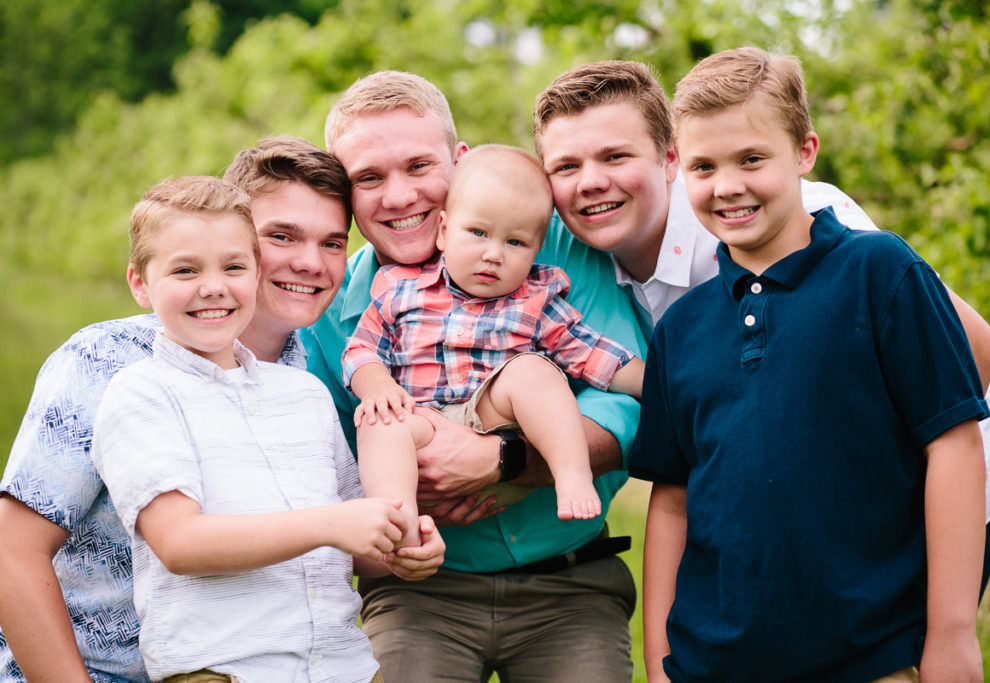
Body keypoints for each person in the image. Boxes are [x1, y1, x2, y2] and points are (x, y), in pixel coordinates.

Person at [532, 59, 990, 600]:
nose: (592, 181)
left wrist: (863, 498)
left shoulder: (787, 215)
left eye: (615, 156)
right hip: (796, 524)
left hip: (922, 493)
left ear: (668, 159)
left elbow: (975, 347)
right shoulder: (575, 265)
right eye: (566, 166)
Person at [0, 136, 444, 682]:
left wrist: (404, 538)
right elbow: (11, 554)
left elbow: (342, 536)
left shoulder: (305, 383)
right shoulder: (108, 365)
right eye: (282, 236)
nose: (310, 263)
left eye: (333, 243)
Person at [631, 46, 988, 682]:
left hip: (870, 655)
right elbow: (673, 499)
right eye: (703, 166)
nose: (727, 185)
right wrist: (659, 662)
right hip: (713, 663)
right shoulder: (681, 328)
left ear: (804, 152)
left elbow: (954, 444)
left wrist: (953, 634)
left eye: (751, 159)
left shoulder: (880, 271)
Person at [302, 72, 647, 681]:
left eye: (418, 166)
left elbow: (624, 407)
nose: (399, 196)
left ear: (459, 164)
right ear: (346, 193)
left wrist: (503, 460)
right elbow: (323, 463)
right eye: (369, 178)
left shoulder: (554, 253)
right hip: (419, 591)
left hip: (570, 581)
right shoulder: (330, 313)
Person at [90, 174, 421, 681]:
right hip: (227, 671)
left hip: (345, 668)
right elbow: (180, 544)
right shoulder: (141, 393)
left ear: (256, 271)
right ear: (139, 283)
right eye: (184, 270)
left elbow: (354, 540)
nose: (213, 287)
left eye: (234, 266)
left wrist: (399, 545)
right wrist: (329, 524)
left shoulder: (304, 394)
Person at [344, 145, 645, 544]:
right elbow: (361, 350)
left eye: (515, 243)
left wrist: (666, 383)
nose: (493, 255)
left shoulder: (537, 299)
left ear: (537, 250)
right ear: (444, 231)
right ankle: (400, 526)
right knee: (378, 424)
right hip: (423, 423)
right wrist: (378, 388)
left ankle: (571, 472)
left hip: (495, 421)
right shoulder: (400, 289)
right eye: (478, 233)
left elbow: (593, 355)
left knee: (534, 371)